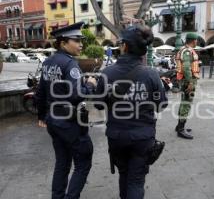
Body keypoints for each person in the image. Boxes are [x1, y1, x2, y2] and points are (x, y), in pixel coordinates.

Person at [95, 25, 168, 199]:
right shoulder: (151, 74)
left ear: (125, 46)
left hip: (117, 136)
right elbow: (162, 105)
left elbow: (98, 105)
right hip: (142, 138)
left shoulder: (107, 73)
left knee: (124, 174)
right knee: (136, 180)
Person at [35, 22, 97, 198]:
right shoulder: (70, 64)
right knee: (83, 163)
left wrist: (42, 116)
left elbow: (41, 91)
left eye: (81, 40)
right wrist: (90, 85)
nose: (81, 44)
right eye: (76, 40)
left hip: (53, 121)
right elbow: (77, 95)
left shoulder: (48, 62)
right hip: (70, 123)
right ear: (63, 42)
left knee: (62, 163)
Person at [174, 33, 200, 139]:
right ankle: (181, 129)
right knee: (186, 104)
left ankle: (179, 126)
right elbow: (186, 67)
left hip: (184, 80)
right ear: (193, 40)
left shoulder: (183, 50)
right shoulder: (188, 51)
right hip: (187, 81)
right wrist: (190, 82)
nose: (197, 42)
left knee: (183, 102)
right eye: (196, 40)